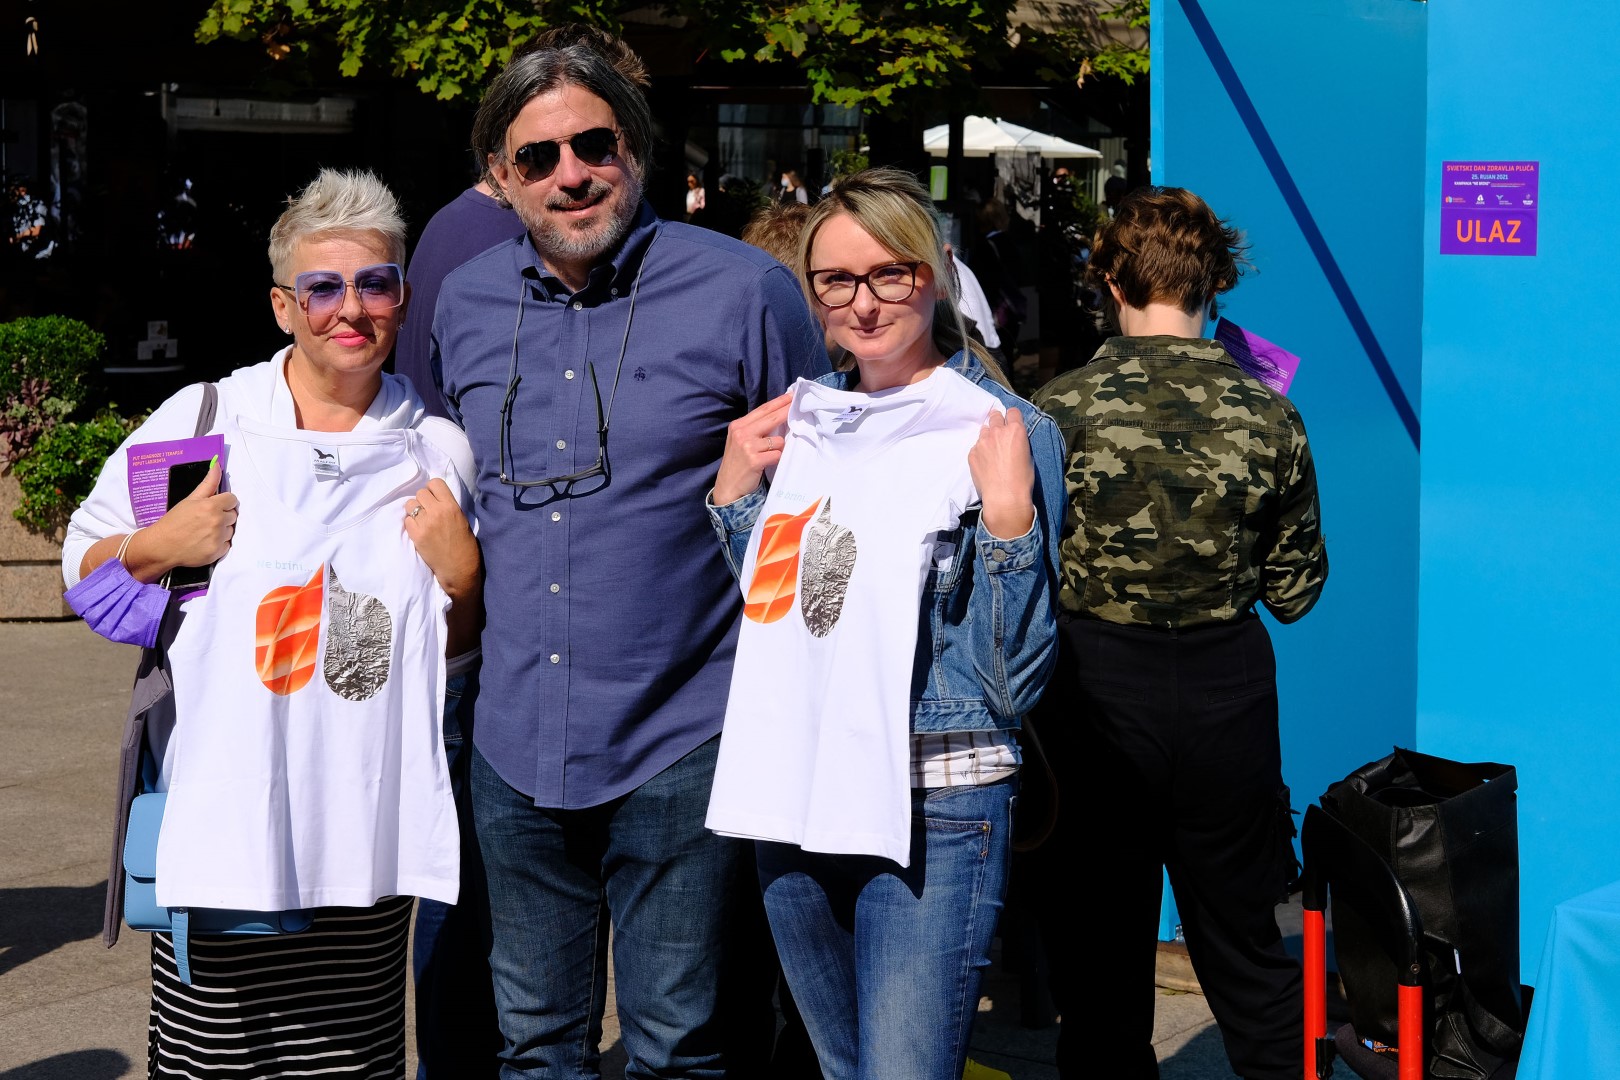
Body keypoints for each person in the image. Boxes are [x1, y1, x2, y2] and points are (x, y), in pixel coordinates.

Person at [429, 30, 829, 1078]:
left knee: (679, 1050)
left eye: (593, 145)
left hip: (682, 739)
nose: (570, 174)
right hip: (513, 745)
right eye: (537, 157)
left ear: (635, 148)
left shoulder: (746, 291)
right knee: (534, 1049)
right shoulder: (463, 302)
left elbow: (819, 507)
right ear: (500, 175)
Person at [66, 168, 482, 1078]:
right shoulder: (204, 423)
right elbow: (83, 576)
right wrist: (160, 543)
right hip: (227, 823)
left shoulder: (436, 449)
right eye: (322, 288)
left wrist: (465, 582)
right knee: (214, 1058)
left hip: (364, 836)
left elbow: (447, 661)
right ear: (283, 306)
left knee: (352, 1059)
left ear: (402, 298)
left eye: (374, 284)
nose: (351, 309)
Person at [703, 167, 1068, 1080]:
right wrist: (735, 500)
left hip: (935, 800)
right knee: (842, 1069)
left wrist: (1011, 525)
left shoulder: (1004, 432)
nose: (863, 304)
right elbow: (791, 615)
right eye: (836, 281)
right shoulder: (804, 423)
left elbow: (1014, 682)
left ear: (932, 274)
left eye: (887, 275)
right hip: (796, 788)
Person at [1029, 186, 1329, 1080]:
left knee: (1099, 964)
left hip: (1090, 691)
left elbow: (1017, 567)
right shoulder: (1269, 414)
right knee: (1248, 952)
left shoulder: (1055, 408)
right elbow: (1297, 592)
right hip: (1225, 691)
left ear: (1110, 281)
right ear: (1215, 284)